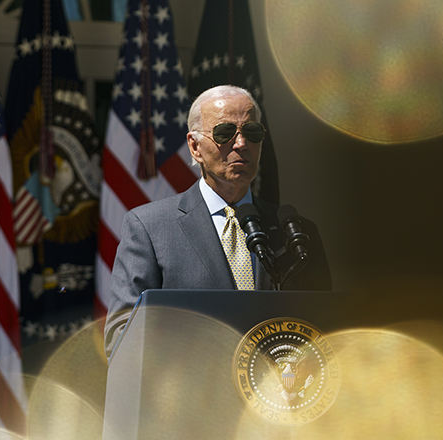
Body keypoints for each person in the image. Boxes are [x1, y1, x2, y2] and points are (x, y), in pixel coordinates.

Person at [104, 85, 331, 353]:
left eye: (252, 133)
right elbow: (121, 335)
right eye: (225, 133)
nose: (241, 144)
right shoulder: (150, 229)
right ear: (195, 146)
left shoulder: (296, 232)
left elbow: (325, 327)